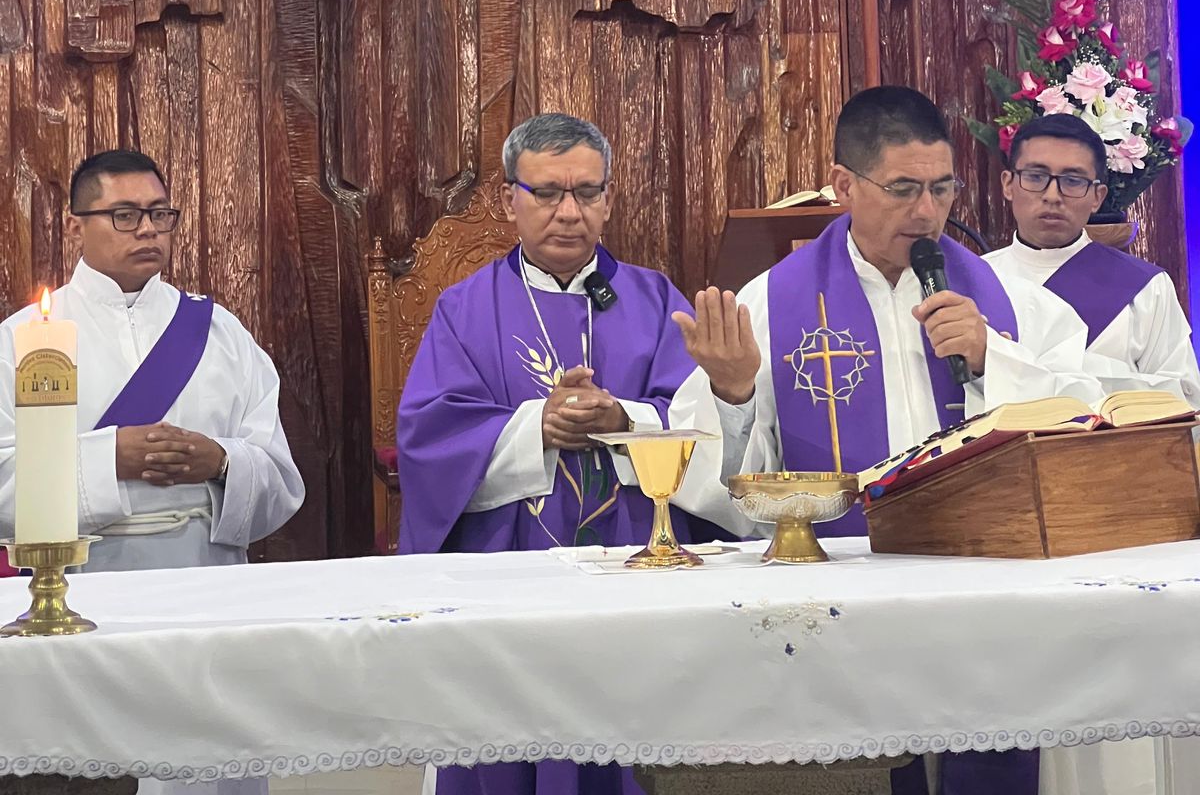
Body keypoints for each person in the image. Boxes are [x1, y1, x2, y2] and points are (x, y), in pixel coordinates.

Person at [670, 86, 1105, 795]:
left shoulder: (1013, 302)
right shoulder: (768, 305)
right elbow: (711, 487)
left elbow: (1087, 420)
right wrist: (734, 394)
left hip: (982, 589)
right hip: (841, 594)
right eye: (903, 189)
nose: (928, 211)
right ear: (843, 184)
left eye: (941, 188)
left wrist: (998, 360)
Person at [398, 112, 724, 795]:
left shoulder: (655, 299)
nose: (568, 212)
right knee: (507, 736)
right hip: (507, 559)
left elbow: (703, 425)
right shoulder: (465, 307)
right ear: (509, 199)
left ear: (609, 198)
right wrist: (534, 427)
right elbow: (428, 435)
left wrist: (622, 417)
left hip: (634, 554)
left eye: (586, 191)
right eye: (546, 192)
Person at [0, 150, 304, 572]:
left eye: (160, 215)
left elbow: (280, 479)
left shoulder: (219, 332)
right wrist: (111, 459)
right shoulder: (18, 341)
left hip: (207, 576)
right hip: (80, 585)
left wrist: (220, 461)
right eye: (125, 215)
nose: (148, 230)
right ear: (74, 226)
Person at [986, 115, 1200, 405]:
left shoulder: (1146, 288)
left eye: (1072, 181)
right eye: (1036, 177)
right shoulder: (978, 281)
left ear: (1097, 197)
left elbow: (1186, 401)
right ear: (1009, 184)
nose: (1052, 195)